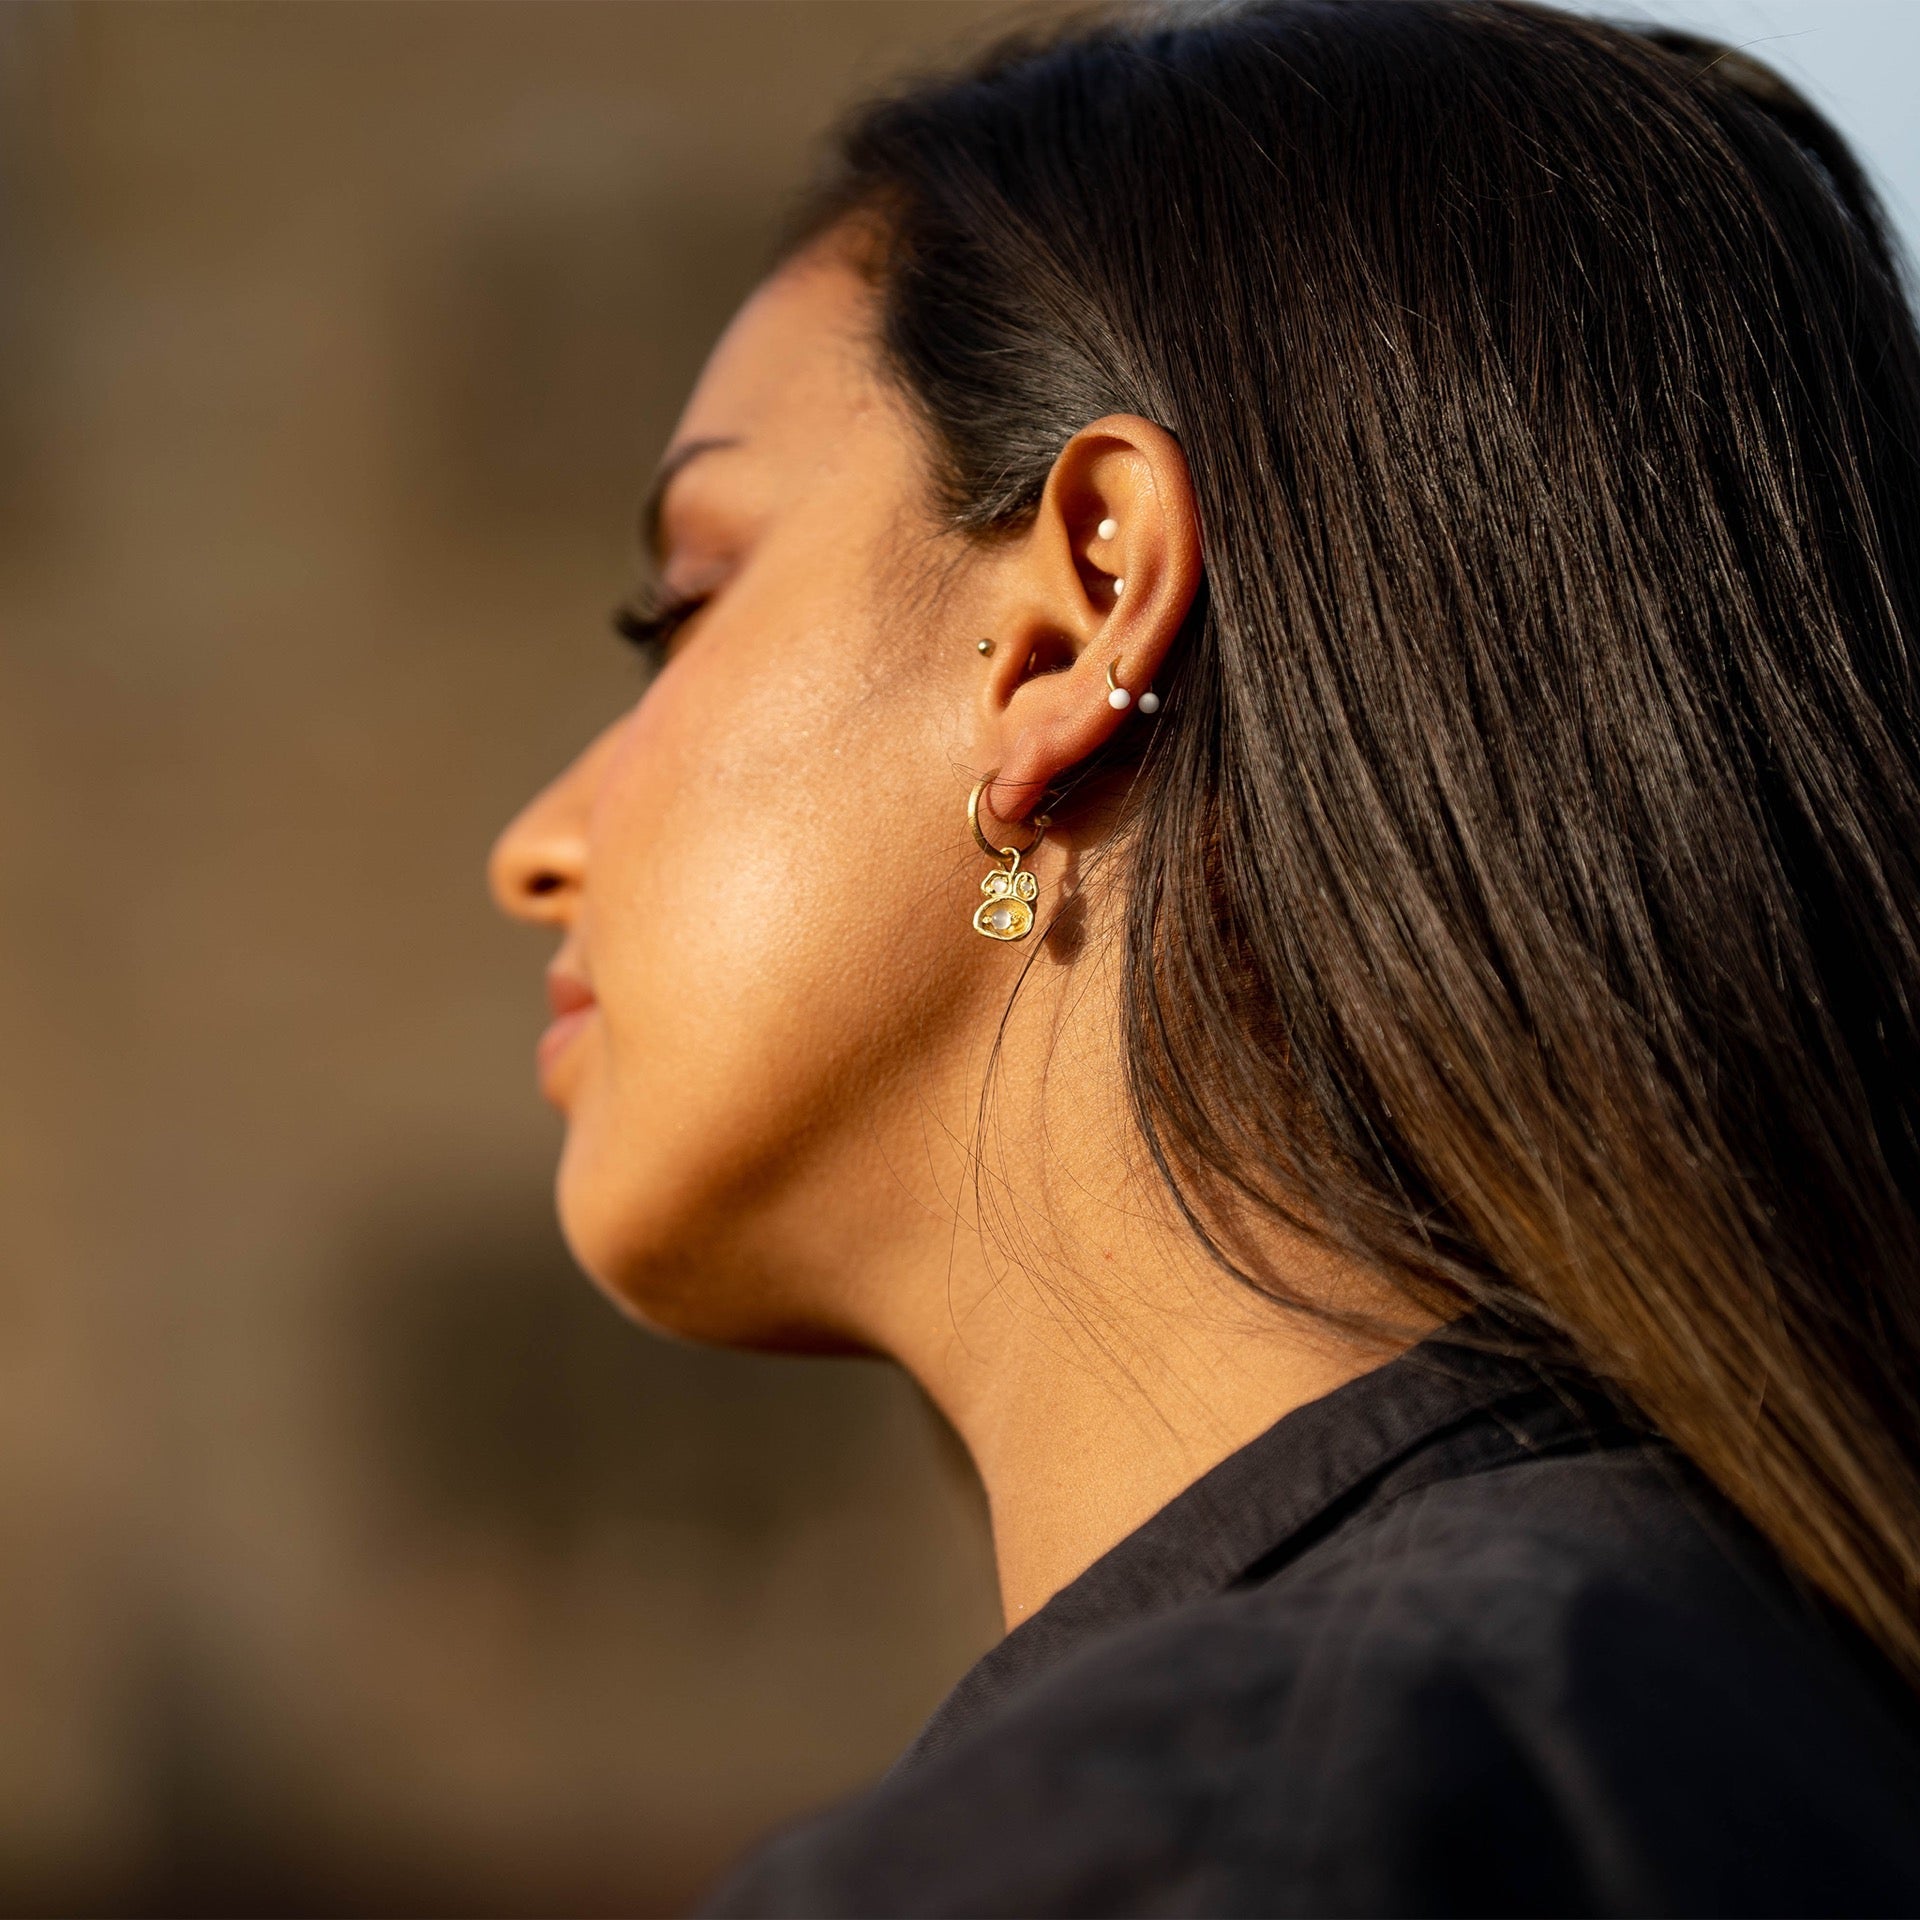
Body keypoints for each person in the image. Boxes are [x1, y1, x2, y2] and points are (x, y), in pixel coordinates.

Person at [488, 1, 1920, 1910]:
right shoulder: (1746, 1707)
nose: (536, 846)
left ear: (1078, 620)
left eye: (687, 596)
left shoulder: (1211, 1830)